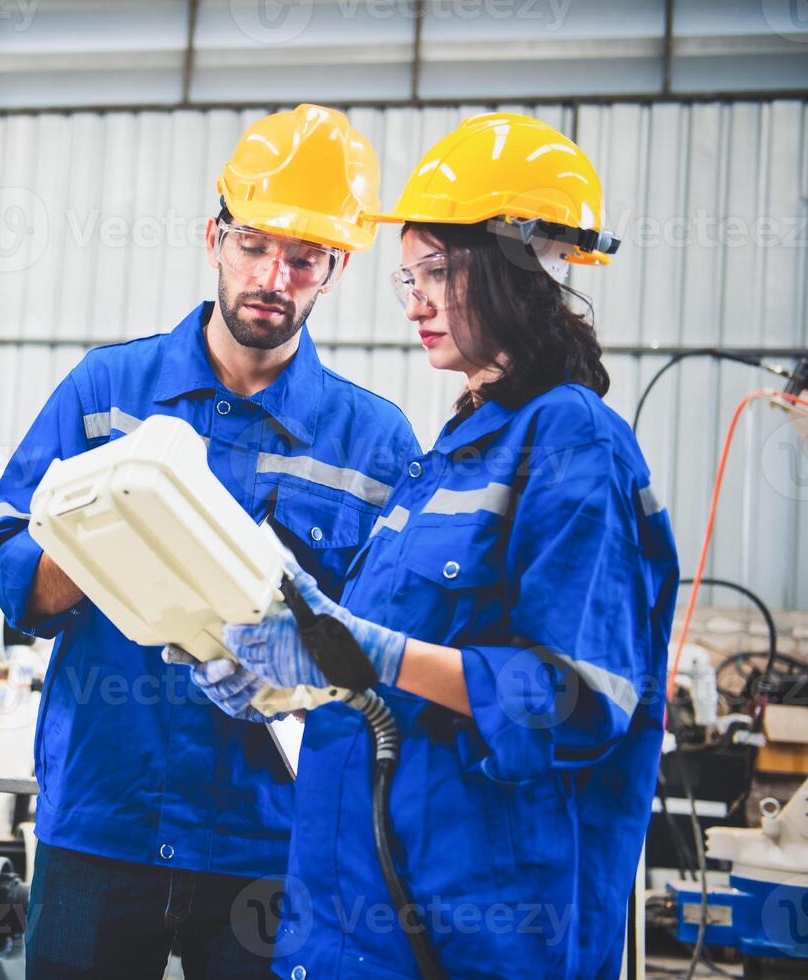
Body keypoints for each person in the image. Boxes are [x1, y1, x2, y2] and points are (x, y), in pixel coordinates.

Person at [196, 113, 680, 978]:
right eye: (406, 277)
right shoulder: (449, 457)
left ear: (517, 274)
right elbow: (400, 683)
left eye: (437, 272)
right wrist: (294, 679)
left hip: (479, 935)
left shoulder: (573, 443)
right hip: (352, 926)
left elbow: (579, 698)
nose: (414, 299)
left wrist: (364, 651)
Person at [0, 105, 420, 978]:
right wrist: (117, 530)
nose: (274, 275)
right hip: (103, 823)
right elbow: (10, 571)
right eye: (255, 245)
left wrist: (297, 664)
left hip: (271, 843)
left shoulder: (374, 444)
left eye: (304, 259)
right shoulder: (107, 390)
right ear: (214, 235)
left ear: (333, 271)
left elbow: (382, 649)